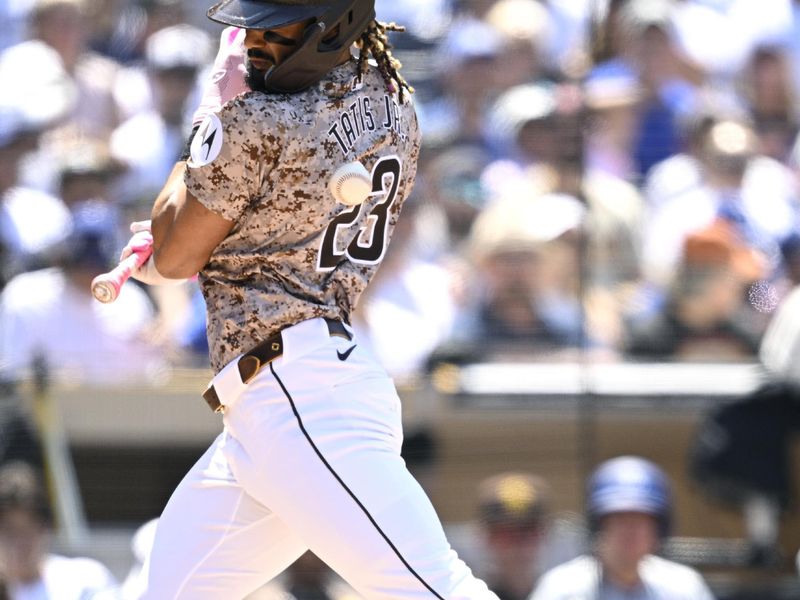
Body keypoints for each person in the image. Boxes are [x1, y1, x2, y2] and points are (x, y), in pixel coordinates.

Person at [130, 1, 498, 598]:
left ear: (337, 20)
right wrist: (213, 236)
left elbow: (174, 255)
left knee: (435, 589)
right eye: (253, 23)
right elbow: (274, 212)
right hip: (284, 398)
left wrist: (211, 113)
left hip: (299, 396)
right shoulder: (396, 105)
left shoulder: (255, 119)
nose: (255, 39)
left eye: (277, 24)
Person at [528, 456, 714, 600]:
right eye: (620, 520)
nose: (630, 531)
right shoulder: (562, 588)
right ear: (599, 526)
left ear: (658, 530)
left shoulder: (683, 587)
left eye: (640, 521)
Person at [0, 461, 119, 599]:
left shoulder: (86, 579)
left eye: (28, 530)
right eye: (10, 531)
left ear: (45, 529)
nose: (19, 542)